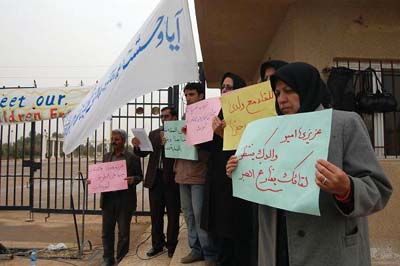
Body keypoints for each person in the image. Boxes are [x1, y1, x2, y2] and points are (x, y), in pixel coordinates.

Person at [226, 62, 392, 266]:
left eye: (289, 91)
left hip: (329, 249)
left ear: (308, 88)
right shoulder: (267, 132)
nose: (282, 99)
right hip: (278, 246)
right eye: (277, 93)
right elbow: (265, 183)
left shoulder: (344, 124)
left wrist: (346, 189)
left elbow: (378, 189)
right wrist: (240, 170)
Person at [200, 72, 258, 266]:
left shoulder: (248, 113)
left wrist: (222, 134)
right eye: (223, 87)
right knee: (219, 228)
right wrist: (195, 137)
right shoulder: (218, 113)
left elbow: (250, 148)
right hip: (217, 179)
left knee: (235, 229)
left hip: (237, 181)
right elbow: (211, 147)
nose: (224, 90)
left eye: (229, 87)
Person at [174, 82, 218, 265]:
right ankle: (195, 249)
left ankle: (210, 254)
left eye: (191, 94)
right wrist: (168, 140)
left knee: (200, 214)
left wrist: (199, 142)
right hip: (182, 173)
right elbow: (176, 145)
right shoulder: (184, 118)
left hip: (199, 174)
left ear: (201, 95)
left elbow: (212, 148)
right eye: (186, 96)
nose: (188, 99)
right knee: (188, 214)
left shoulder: (209, 116)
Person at [132, 106, 180, 258]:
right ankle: (157, 245)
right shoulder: (153, 134)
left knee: (173, 215)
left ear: (174, 118)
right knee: (156, 215)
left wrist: (169, 142)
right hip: (155, 179)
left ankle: (172, 245)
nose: (164, 119)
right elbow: (143, 153)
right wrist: (137, 145)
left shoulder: (180, 132)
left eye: (167, 116)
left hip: (172, 180)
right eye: (162, 117)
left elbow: (182, 152)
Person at [100, 129, 143, 266]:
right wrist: (94, 181)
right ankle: (108, 258)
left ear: (123, 141)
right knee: (106, 231)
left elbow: (140, 177)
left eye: (117, 139)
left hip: (125, 200)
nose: (113, 141)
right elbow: (101, 175)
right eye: (112, 139)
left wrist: (133, 179)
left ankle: (121, 259)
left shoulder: (133, 158)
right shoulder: (106, 157)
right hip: (108, 200)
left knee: (124, 233)